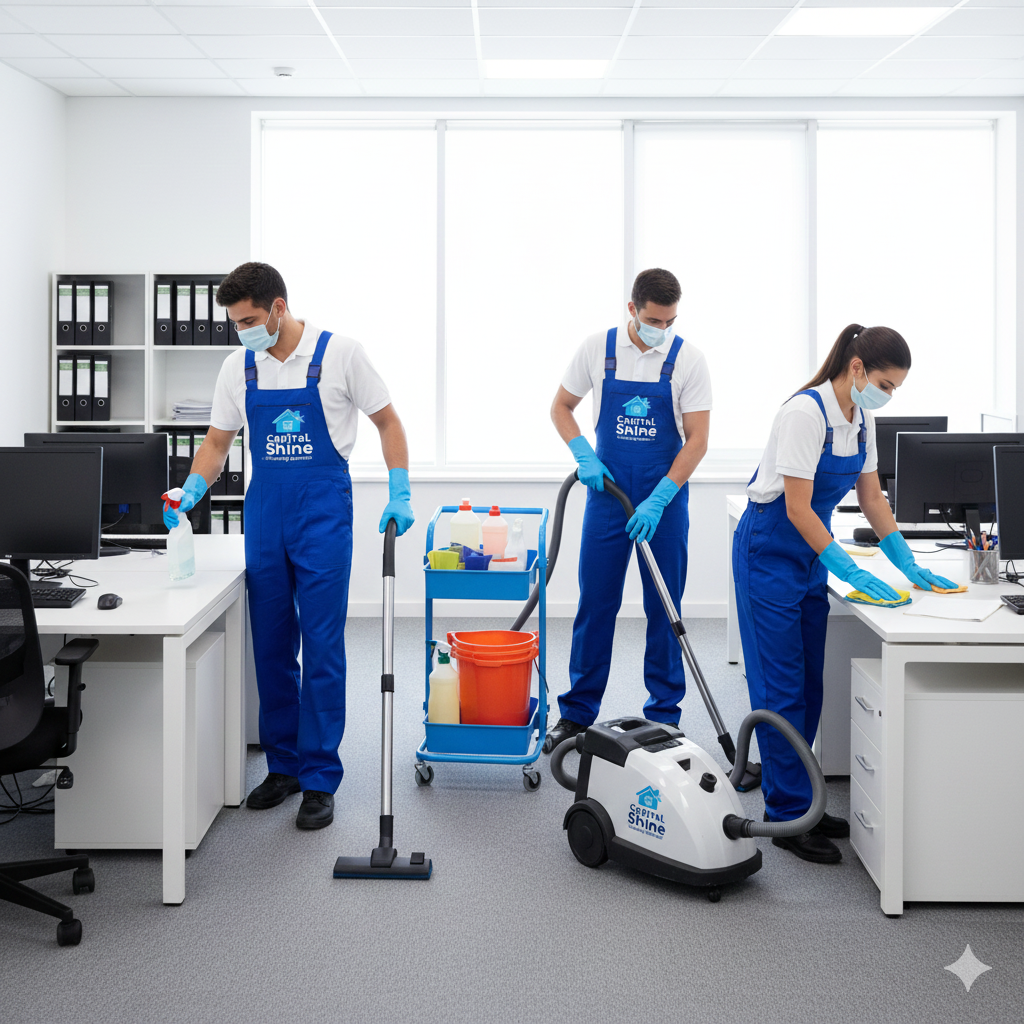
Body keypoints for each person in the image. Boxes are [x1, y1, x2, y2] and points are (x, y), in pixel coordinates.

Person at [160, 262, 415, 830]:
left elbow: (389, 422)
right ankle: (284, 765)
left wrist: (400, 491)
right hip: (267, 511)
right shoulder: (238, 366)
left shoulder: (342, 353)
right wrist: (192, 488)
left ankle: (321, 776)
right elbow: (217, 440)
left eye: (249, 319)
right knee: (271, 644)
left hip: (323, 511)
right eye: (234, 323)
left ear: (278, 306)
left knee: (322, 644)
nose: (241, 331)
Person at [732, 324, 957, 863]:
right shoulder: (804, 415)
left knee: (811, 681)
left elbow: (872, 496)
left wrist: (906, 560)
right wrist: (848, 570)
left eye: (896, 388)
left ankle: (801, 798)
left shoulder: (862, 419)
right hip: (769, 550)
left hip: (810, 554)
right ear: (856, 368)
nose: (888, 393)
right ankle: (786, 816)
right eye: (885, 382)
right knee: (781, 687)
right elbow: (796, 507)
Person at [546, 268, 712, 752]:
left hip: (664, 497)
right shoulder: (598, 349)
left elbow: (698, 440)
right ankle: (577, 714)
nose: (664, 328)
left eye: (672, 319)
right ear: (632, 309)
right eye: (655, 319)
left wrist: (661, 496)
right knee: (596, 604)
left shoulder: (689, 360)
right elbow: (561, 406)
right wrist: (583, 454)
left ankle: (663, 716)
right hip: (608, 494)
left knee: (664, 607)